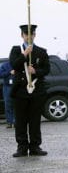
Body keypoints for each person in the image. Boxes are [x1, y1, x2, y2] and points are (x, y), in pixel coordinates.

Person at [9, 24, 50, 157]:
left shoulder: (42, 51)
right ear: (22, 35)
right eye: (26, 34)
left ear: (35, 35)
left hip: (36, 91)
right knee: (20, 121)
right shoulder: (16, 50)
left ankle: (35, 147)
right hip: (20, 91)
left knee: (35, 120)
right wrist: (24, 54)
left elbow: (47, 69)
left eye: (31, 34)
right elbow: (14, 64)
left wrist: (36, 71)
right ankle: (21, 147)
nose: (29, 36)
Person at [0, 61, 15, 128]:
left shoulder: (18, 63)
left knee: (16, 104)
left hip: (17, 86)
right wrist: (9, 72)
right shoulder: (4, 65)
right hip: (7, 86)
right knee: (8, 104)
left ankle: (16, 122)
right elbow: (1, 74)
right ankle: (9, 122)